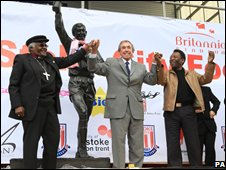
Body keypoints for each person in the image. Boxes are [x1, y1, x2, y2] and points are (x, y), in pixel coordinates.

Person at [8, 35, 93, 169]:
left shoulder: (49, 59)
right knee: (31, 143)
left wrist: (84, 50)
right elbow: (13, 85)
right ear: (31, 47)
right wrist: (17, 105)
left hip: (50, 107)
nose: (45, 48)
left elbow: (67, 60)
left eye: (46, 45)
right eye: (41, 45)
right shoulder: (23, 60)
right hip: (33, 108)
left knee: (52, 141)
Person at [87, 40, 163, 168]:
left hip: (136, 108)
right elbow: (94, 68)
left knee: (137, 144)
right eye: (123, 48)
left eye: (128, 47)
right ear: (119, 51)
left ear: (132, 51)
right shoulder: (111, 62)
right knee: (118, 143)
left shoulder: (140, 66)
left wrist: (154, 63)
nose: (126, 49)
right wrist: (94, 52)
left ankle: (135, 168)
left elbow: (152, 80)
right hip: (117, 108)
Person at [52, 1, 104, 158]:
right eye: (77, 30)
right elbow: (60, 30)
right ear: (74, 33)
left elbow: (100, 65)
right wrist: (58, 13)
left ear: (86, 32)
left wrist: (92, 53)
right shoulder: (70, 44)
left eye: (83, 30)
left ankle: (81, 151)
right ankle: (83, 151)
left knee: (85, 118)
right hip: (76, 82)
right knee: (82, 112)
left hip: (90, 83)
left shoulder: (92, 48)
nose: (80, 32)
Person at [157, 49, 216, 167]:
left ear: (182, 60)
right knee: (172, 143)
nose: (172, 58)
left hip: (188, 111)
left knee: (193, 142)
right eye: (171, 57)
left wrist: (210, 64)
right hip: (171, 111)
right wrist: (159, 64)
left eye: (175, 57)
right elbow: (161, 80)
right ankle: (175, 167)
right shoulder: (167, 74)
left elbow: (206, 79)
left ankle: (196, 166)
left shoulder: (192, 74)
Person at [195, 86, 220, 167]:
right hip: (196, 125)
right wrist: (193, 110)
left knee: (210, 149)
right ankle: (197, 166)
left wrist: (213, 110)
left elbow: (216, 102)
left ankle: (211, 166)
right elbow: (185, 107)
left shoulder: (206, 89)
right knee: (197, 150)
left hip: (209, 125)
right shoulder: (188, 90)